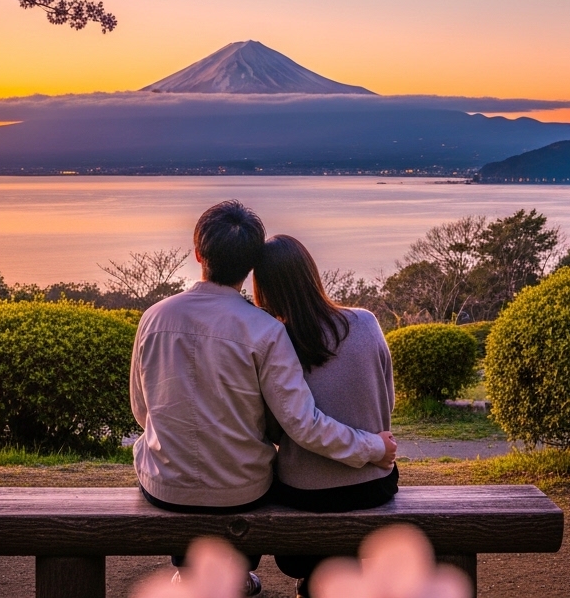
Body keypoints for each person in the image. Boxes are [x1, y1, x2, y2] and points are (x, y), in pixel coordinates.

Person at [130, 202, 397, 596]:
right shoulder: (265, 330)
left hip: (164, 485)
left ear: (198, 252)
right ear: (250, 264)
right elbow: (300, 423)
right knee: (256, 476)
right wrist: (372, 446)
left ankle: (201, 574)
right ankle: (237, 574)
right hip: (243, 490)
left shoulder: (153, 317)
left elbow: (142, 411)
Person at [253, 234, 398, 597]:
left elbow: (275, 429)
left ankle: (318, 582)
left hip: (305, 494)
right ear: (311, 273)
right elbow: (388, 401)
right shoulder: (365, 322)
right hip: (373, 486)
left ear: (264, 290)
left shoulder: (276, 341)